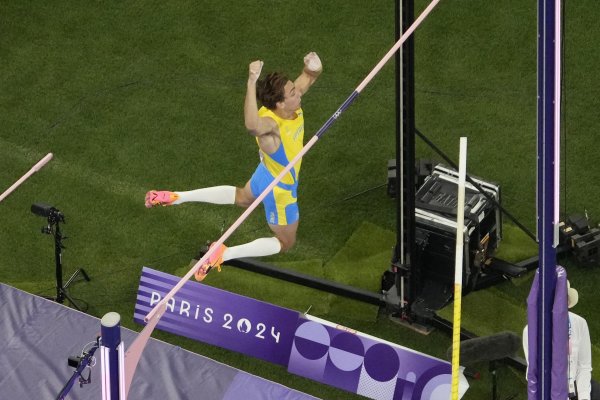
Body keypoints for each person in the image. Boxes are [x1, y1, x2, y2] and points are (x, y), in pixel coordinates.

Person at [145, 52, 323, 281]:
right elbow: (251, 125)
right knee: (285, 242)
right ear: (279, 103)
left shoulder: (287, 106)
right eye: (292, 92)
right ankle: (225, 253)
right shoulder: (271, 126)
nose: (298, 92)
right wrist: (251, 81)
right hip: (280, 190)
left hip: (266, 174)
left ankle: (178, 197)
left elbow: (308, 78)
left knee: (242, 197)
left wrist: (313, 68)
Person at [523, 280, 599, 400]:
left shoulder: (579, 323)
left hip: (577, 389)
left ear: (567, 302)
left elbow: (584, 366)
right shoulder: (531, 331)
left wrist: (584, 397)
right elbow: (535, 372)